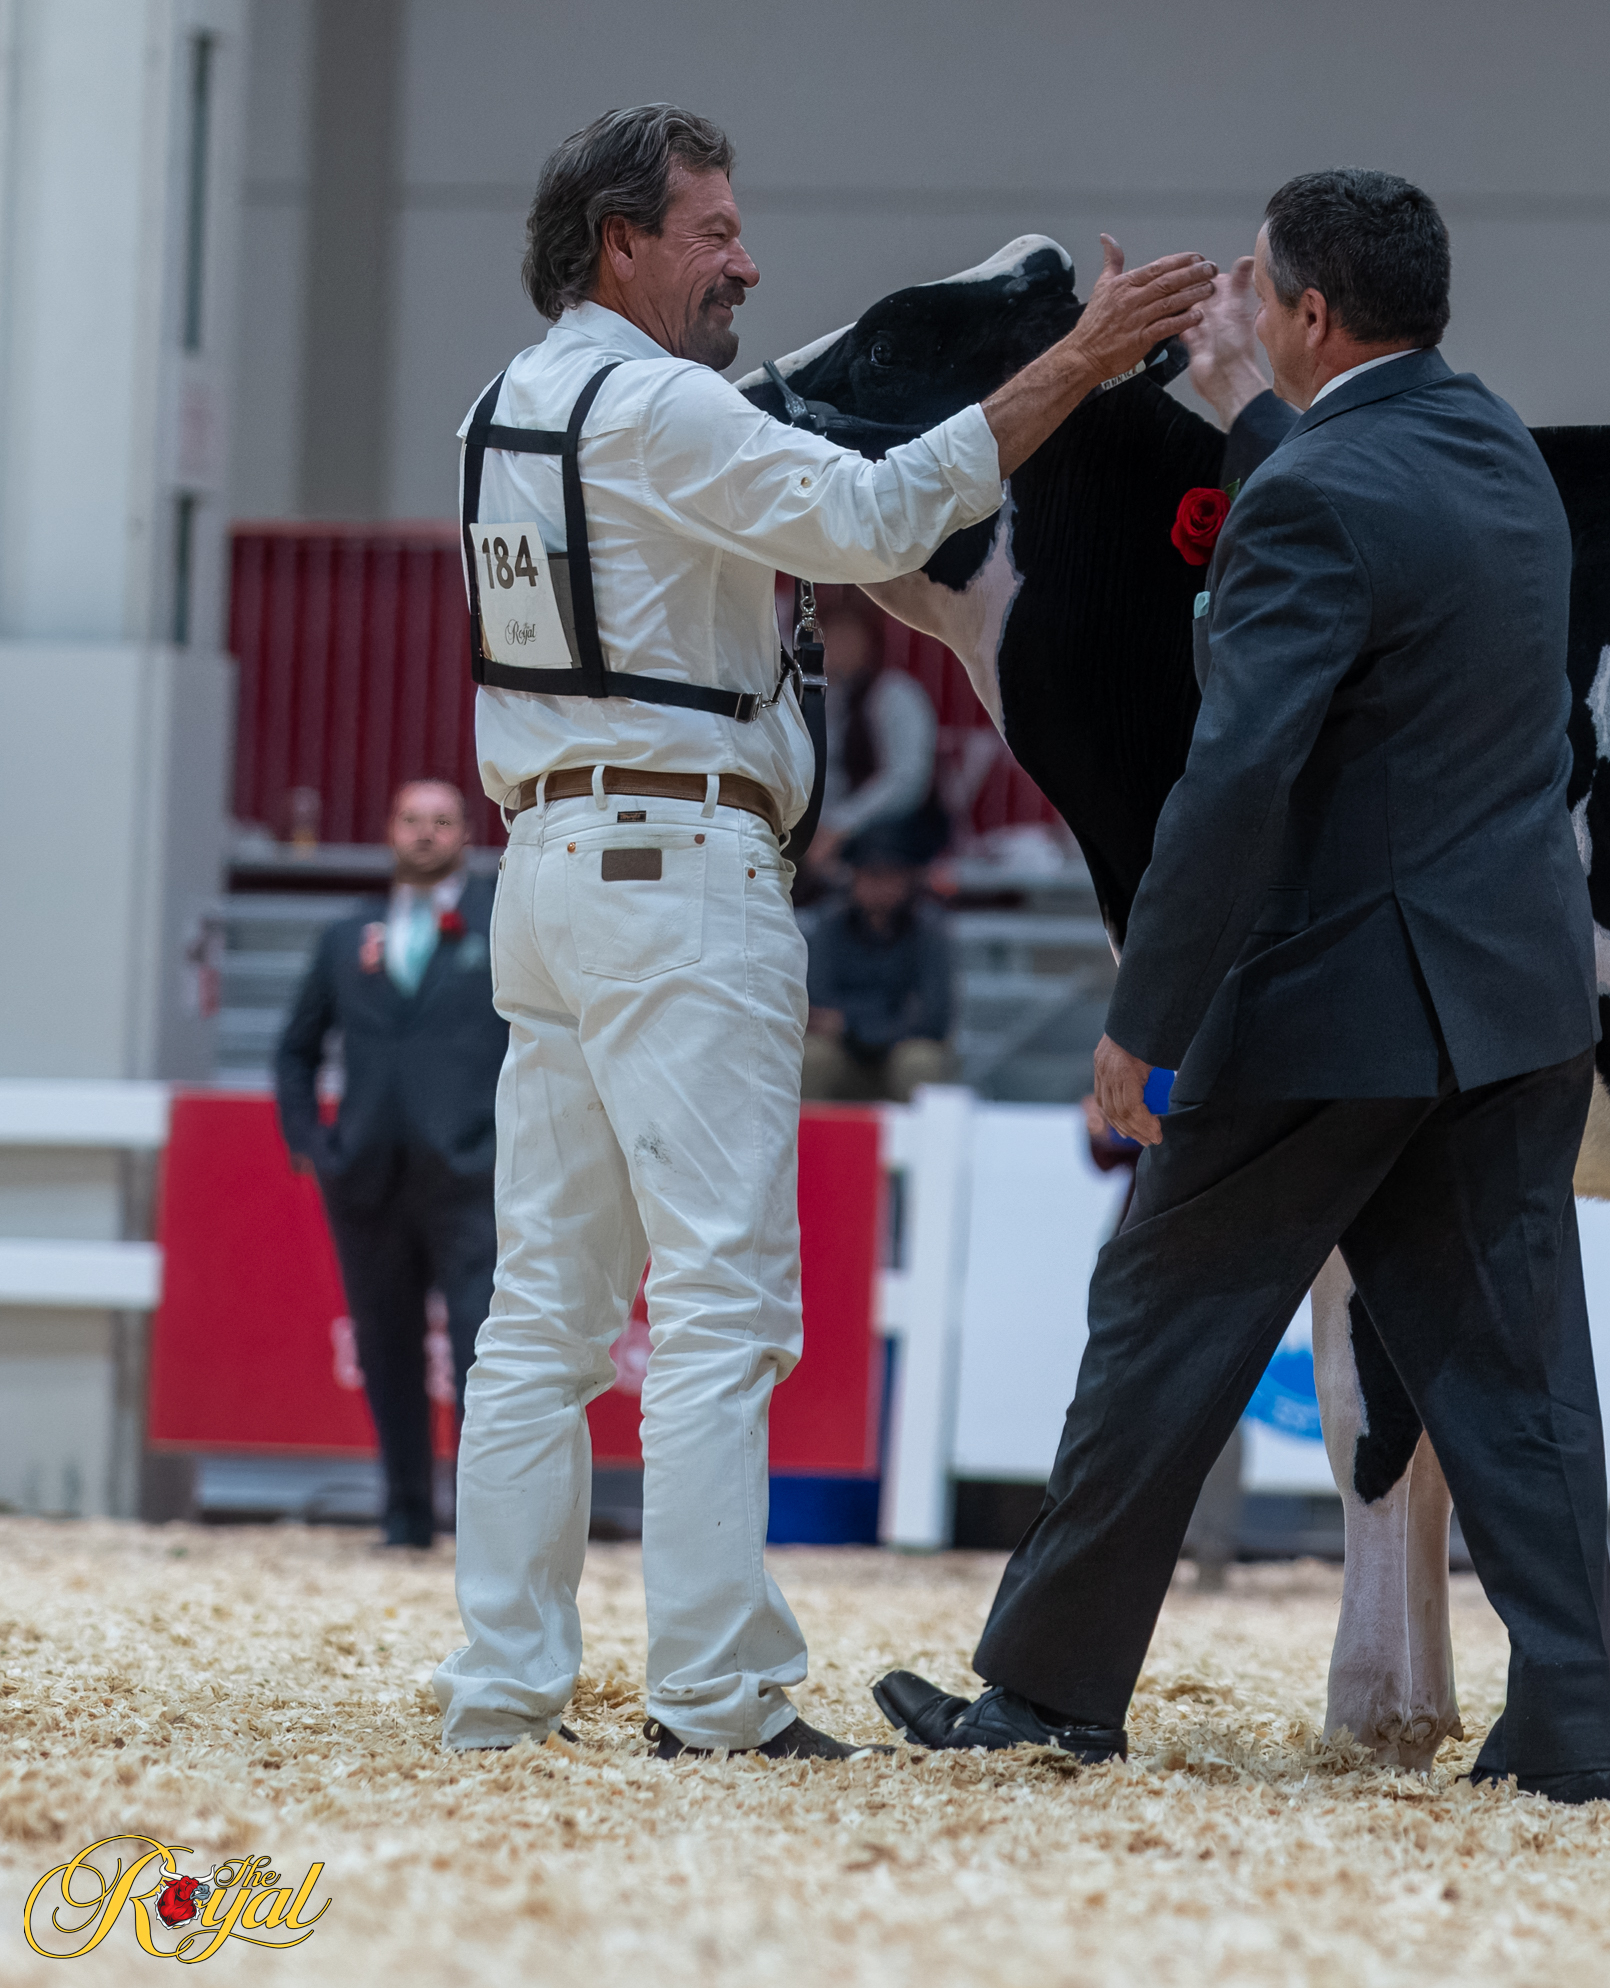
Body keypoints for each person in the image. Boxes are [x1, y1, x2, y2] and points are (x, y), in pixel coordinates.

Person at [430, 103, 1210, 1761]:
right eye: (713, 232)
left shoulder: (501, 406)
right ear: (620, 244)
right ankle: (715, 1696)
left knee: (543, 1313)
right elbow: (873, 519)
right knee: (721, 1300)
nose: (747, 263)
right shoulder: (658, 406)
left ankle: (501, 1688)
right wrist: (1075, 364)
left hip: (548, 864)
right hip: (675, 866)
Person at [870, 170, 1610, 1802]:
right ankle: (1570, 1725)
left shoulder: (1311, 496)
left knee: (1160, 1327)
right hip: (1514, 1000)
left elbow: (1234, 782)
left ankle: (1048, 1694)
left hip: (1330, 1008)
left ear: (1313, 313)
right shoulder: (1495, 446)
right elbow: (1363, 508)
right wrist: (1242, 409)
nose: (1245, 308)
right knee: (1519, 1378)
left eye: (1260, 288)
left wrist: (1144, 1022)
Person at [272, 780, 508, 1550]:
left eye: (442, 821)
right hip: (367, 1179)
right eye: (412, 819)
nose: (426, 833)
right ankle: (404, 1517)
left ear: (467, 835)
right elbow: (295, 1050)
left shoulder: (501, 923)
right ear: (389, 831)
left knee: (482, 1354)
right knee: (385, 1351)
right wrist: (313, 1143)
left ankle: (484, 1531)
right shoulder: (346, 936)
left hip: (471, 1176)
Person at [804, 582, 948, 882]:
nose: (837, 647)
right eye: (829, 637)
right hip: (831, 824)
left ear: (869, 642)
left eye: (847, 637)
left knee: (879, 848)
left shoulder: (896, 694)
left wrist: (841, 824)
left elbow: (906, 782)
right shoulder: (821, 700)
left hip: (892, 825)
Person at [800, 836, 958, 1101]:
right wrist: (879, 1020)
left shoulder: (930, 930)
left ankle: (928, 1131)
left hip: (900, 1049)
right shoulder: (828, 926)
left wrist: (852, 1025)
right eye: (870, 875)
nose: (879, 885)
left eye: (889, 875)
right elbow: (818, 1004)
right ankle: (804, 1130)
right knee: (810, 1056)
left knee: (921, 1061)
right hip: (845, 1054)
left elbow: (934, 1016)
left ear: (908, 879)